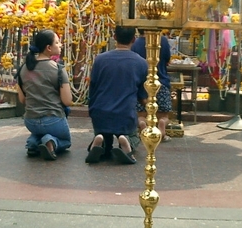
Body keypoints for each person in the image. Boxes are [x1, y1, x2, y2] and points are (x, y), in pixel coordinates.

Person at [85, 26, 148, 165]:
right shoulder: (141, 63)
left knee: (104, 135)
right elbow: (142, 95)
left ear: (114, 37)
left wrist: (92, 109)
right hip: (125, 113)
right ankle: (127, 142)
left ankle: (100, 142)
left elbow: (93, 87)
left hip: (100, 111)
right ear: (134, 39)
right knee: (133, 135)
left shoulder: (100, 59)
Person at [16, 30, 72, 161]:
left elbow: (22, 99)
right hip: (53, 120)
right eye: (57, 42)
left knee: (40, 132)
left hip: (30, 121)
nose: (60, 45)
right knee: (66, 141)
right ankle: (50, 141)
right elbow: (67, 101)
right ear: (48, 48)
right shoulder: (58, 69)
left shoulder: (23, 69)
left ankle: (33, 143)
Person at [132, 29, 172, 142]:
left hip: (142, 85)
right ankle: (162, 124)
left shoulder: (136, 43)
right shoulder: (163, 40)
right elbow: (168, 59)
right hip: (161, 82)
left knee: (141, 114)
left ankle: (142, 125)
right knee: (163, 115)